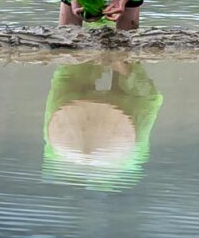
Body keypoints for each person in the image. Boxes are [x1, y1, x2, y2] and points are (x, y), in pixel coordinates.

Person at [42, 59, 161, 188]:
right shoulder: (57, 150)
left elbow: (148, 99)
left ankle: (120, 64)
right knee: (75, 69)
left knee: (76, 67)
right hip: (72, 118)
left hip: (76, 120)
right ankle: (121, 64)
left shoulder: (131, 156)